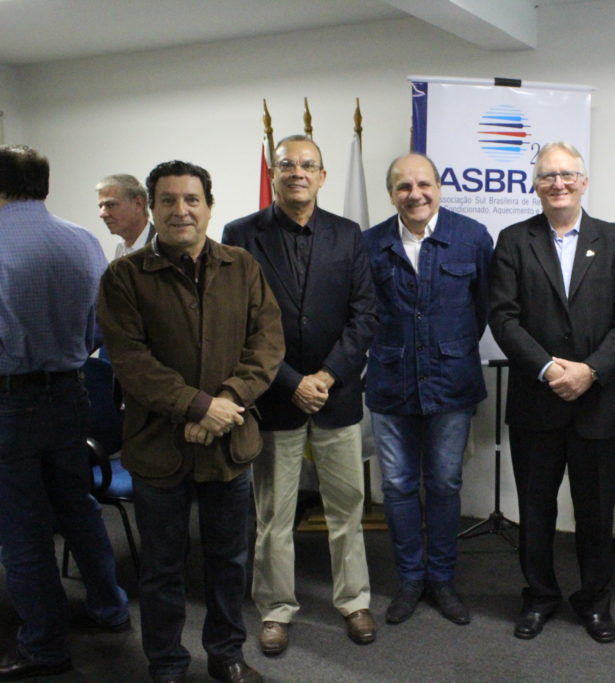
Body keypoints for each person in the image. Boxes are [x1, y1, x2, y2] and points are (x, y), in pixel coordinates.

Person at [98, 160, 284, 683]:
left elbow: (267, 344)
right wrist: (199, 407)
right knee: (161, 567)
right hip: (159, 446)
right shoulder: (124, 277)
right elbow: (131, 361)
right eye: (169, 200)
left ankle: (226, 654)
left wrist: (226, 400)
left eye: (192, 199)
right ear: (152, 208)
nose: (181, 210)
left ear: (209, 206)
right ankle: (166, 663)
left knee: (229, 561)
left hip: (229, 444)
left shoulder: (242, 267)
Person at [222, 134, 378, 651]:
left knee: (347, 510)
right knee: (273, 515)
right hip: (275, 397)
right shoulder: (241, 234)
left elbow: (364, 315)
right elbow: (240, 322)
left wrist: (327, 376)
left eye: (308, 165)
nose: (298, 173)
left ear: (322, 176)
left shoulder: (348, 234)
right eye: (287, 164)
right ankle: (275, 608)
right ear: (275, 173)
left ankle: (354, 601)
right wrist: (292, 381)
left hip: (337, 396)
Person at [490, 141, 615, 644]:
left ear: (583, 181)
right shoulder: (513, 240)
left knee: (596, 514)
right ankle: (539, 597)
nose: (558, 183)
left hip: (597, 402)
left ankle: (595, 602)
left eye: (567, 175)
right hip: (536, 402)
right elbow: (503, 316)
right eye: (547, 176)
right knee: (536, 512)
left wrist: (591, 370)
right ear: (535, 185)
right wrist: (548, 368)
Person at [0, 144, 129, 680]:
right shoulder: (83, 241)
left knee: (22, 527)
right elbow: (101, 328)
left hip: (10, 402)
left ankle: (45, 644)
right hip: (72, 395)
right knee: (78, 506)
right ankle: (110, 607)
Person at [363, 153, 492, 627]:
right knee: (397, 487)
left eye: (424, 185)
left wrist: (449, 348)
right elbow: (363, 312)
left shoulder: (472, 237)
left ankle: (441, 579)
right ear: (391, 194)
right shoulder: (370, 243)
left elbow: (483, 307)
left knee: (444, 484)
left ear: (439, 187)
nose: (414, 194)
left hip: (451, 383)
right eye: (403, 187)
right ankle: (410, 579)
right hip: (390, 382)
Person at [97, 173, 155, 258]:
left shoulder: (165, 248)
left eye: (111, 205)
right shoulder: (121, 248)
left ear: (138, 203)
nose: (102, 214)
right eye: (100, 206)